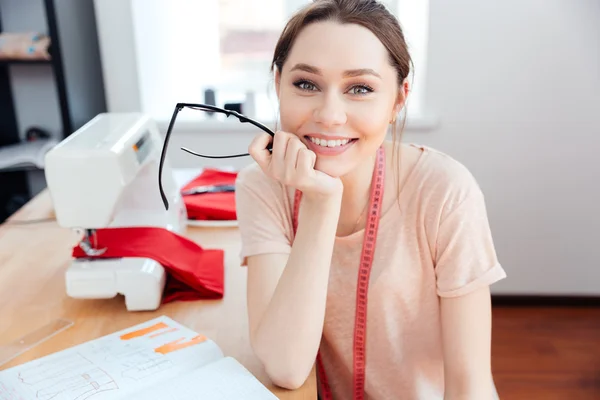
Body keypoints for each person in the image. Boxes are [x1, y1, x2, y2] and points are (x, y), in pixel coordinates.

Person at [234, 0, 507, 398]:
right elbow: (286, 366)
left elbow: (471, 386)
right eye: (306, 84)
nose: (329, 115)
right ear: (277, 84)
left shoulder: (445, 191)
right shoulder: (261, 186)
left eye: (359, 88)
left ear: (398, 99)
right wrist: (321, 203)